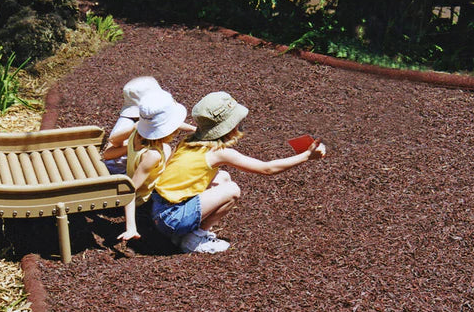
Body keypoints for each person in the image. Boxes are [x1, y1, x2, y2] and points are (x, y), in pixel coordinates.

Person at [150, 91, 326, 254]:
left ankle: (182, 231)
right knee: (232, 190)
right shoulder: (218, 152)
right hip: (172, 219)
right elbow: (267, 169)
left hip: (158, 210)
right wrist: (307, 156)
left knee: (222, 178)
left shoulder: (189, 140)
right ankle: (194, 239)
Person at [117, 89, 188, 241]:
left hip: (142, 177)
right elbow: (130, 190)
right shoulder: (152, 155)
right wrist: (131, 227)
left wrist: (196, 129)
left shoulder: (137, 130)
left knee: (169, 148)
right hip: (145, 201)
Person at [103, 76, 162, 175]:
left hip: (133, 163)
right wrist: (131, 147)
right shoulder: (127, 123)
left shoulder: (148, 119)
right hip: (119, 170)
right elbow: (108, 154)